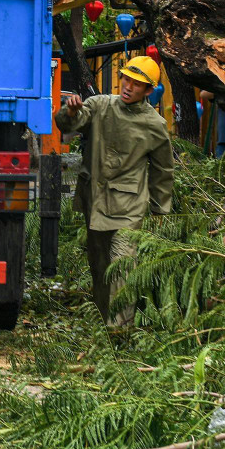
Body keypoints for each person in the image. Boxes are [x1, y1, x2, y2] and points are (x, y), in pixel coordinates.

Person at [57, 56, 173, 326]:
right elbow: (68, 125)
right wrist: (70, 111)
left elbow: (163, 170)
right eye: (126, 79)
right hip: (95, 201)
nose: (128, 86)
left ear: (148, 91)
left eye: (137, 84)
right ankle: (103, 324)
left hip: (128, 208)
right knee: (99, 268)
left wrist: (158, 209)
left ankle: (119, 330)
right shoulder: (100, 105)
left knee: (122, 266)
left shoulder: (154, 124)